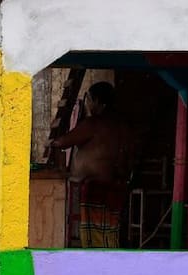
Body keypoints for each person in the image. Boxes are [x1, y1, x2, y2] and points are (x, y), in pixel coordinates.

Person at [51, 82, 131, 248]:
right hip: (115, 187)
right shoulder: (121, 125)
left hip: (93, 190)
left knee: (87, 238)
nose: (87, 103)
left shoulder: (93, 124)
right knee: (108, 234)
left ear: (97, 102)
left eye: (88, 99)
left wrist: (55, 140)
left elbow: (61, 142)